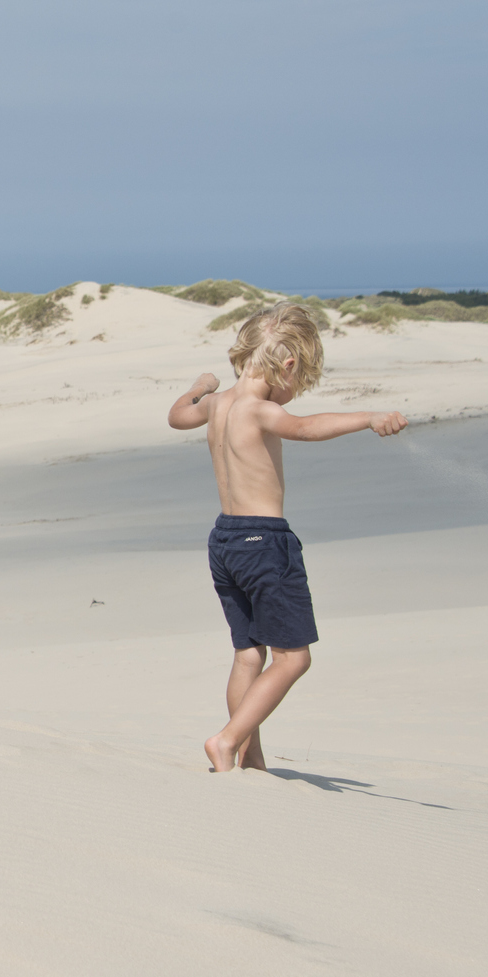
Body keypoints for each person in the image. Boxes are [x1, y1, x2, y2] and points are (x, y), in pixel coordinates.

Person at [166, 303, 408, 773]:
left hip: (224, 540)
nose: (293, 392)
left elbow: (178, 416)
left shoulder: (216, 405)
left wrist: (200, 387)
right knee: (294, 659)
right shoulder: (261, 410)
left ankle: (248, 759)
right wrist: (368, 417)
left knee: (246, 656)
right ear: (288, 364)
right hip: (264, 541)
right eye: (298, 380)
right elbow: (304, 427)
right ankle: (228, 740)